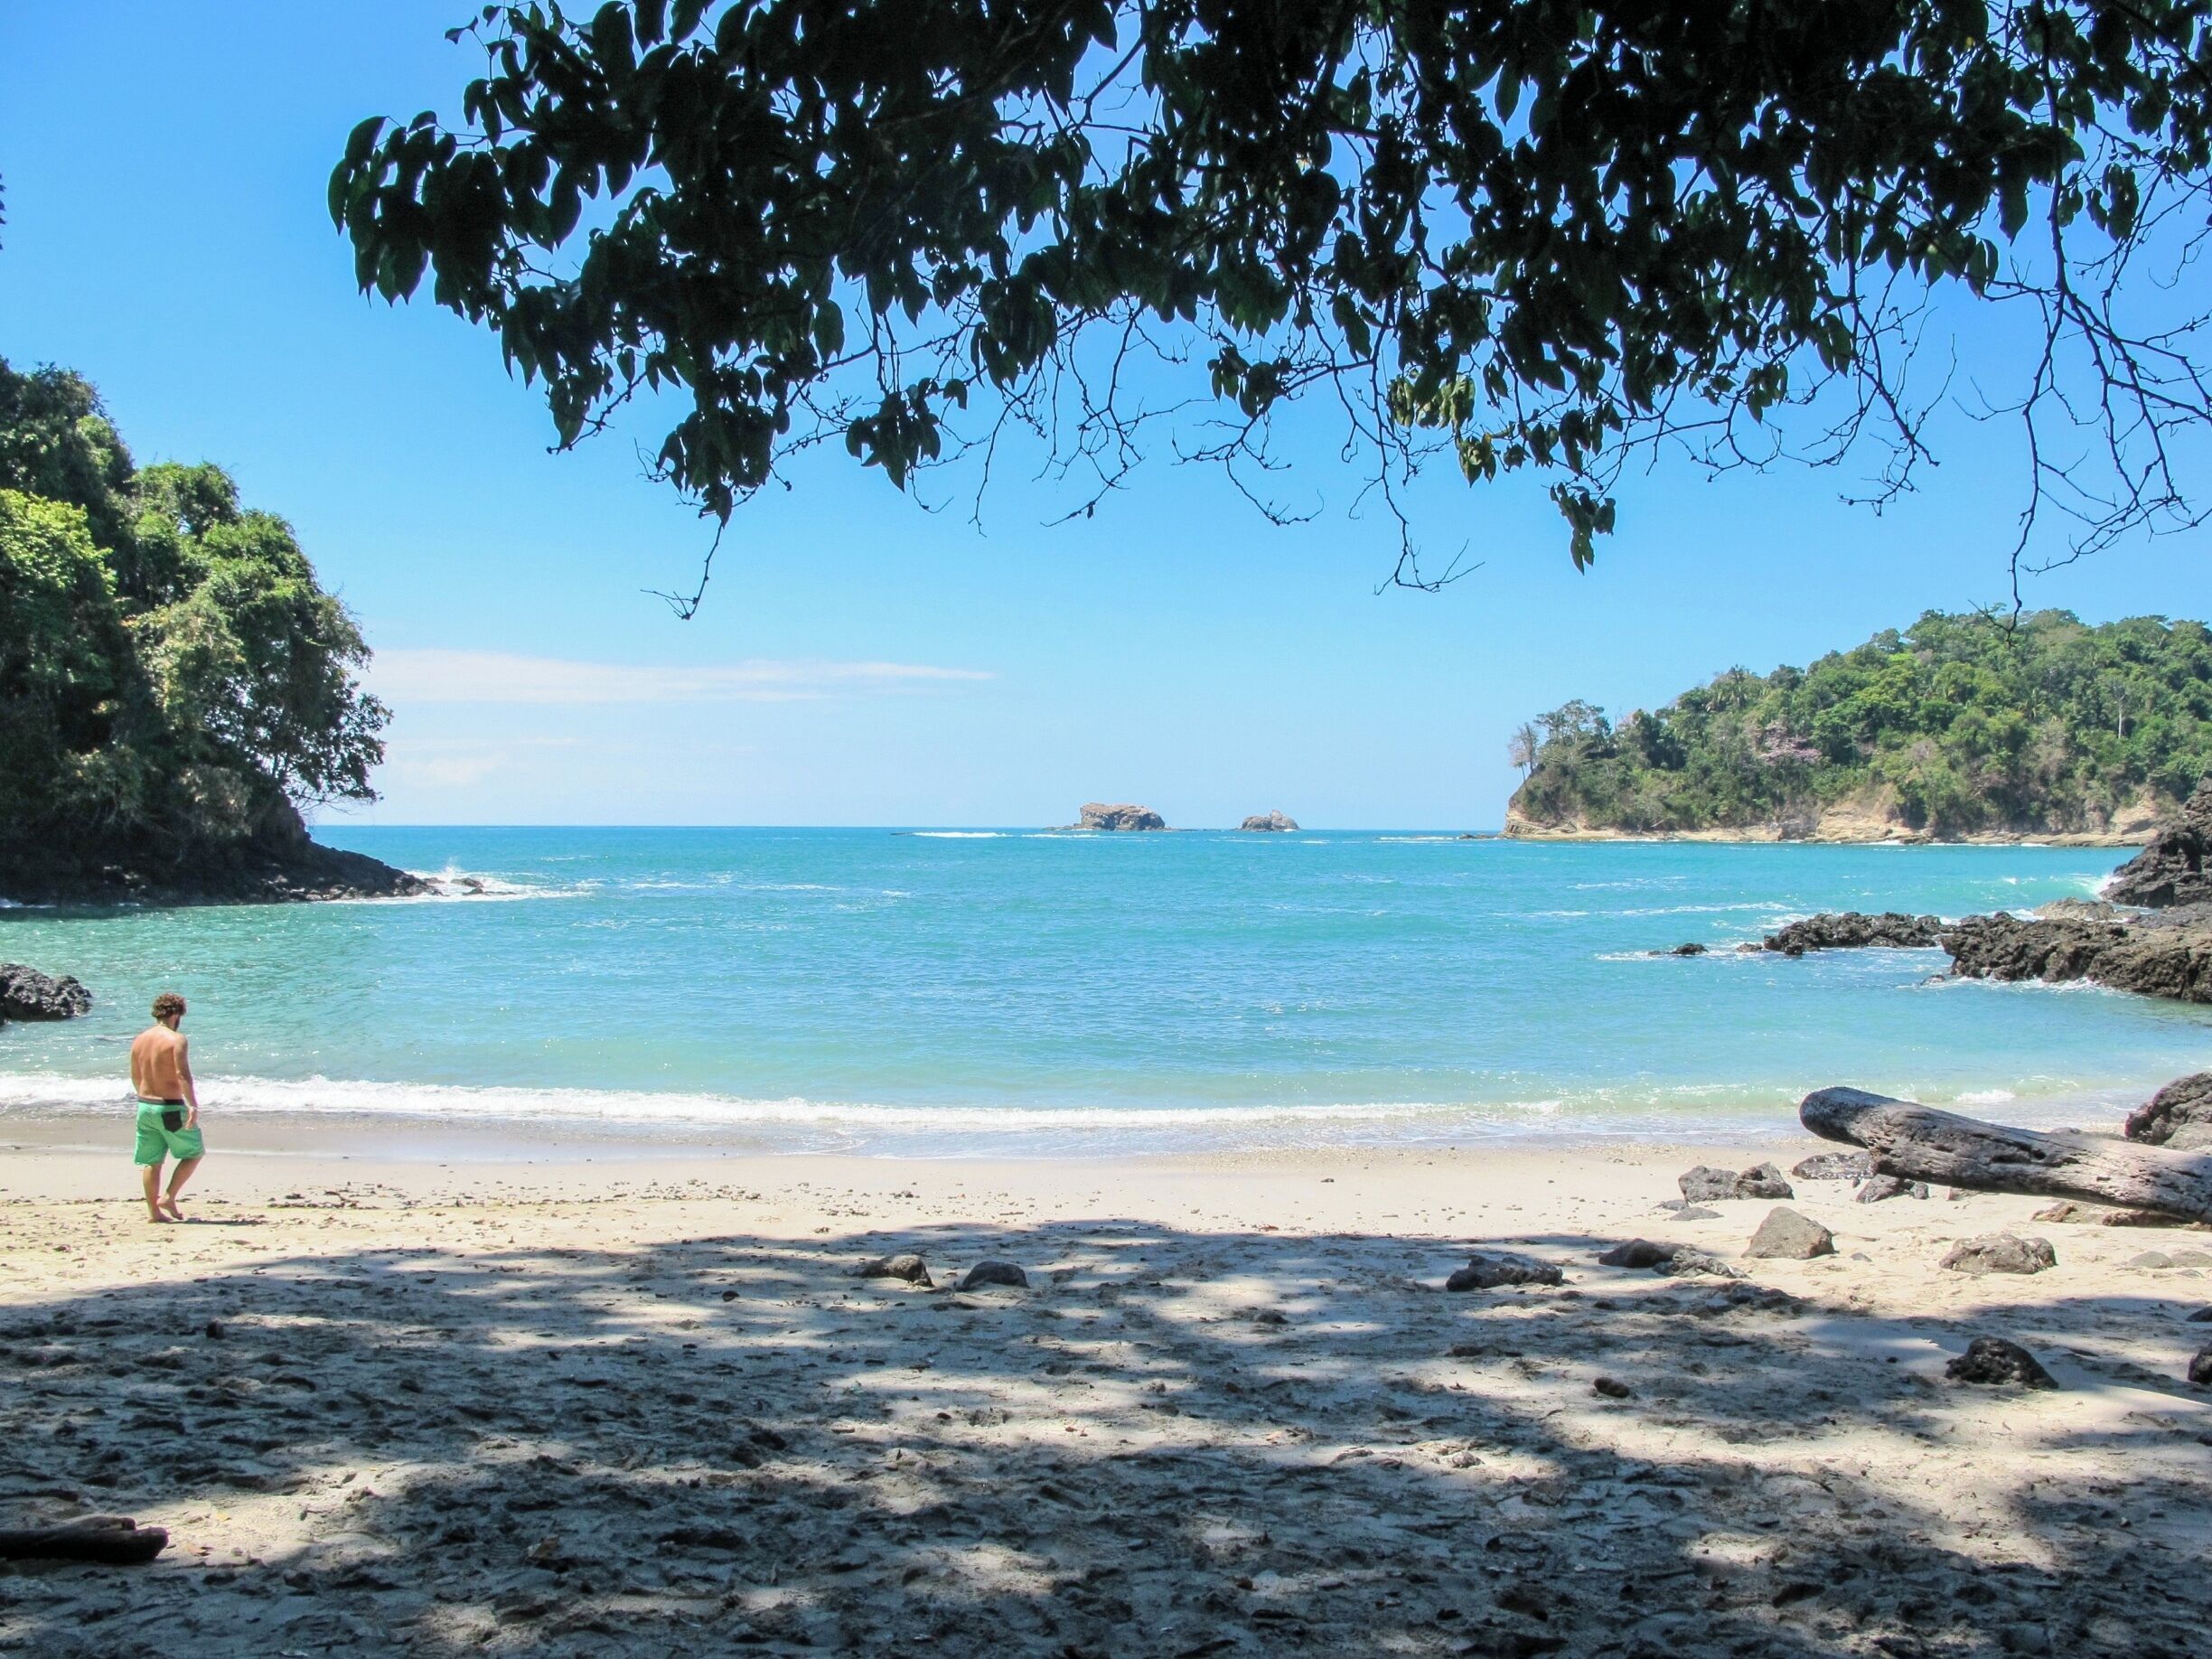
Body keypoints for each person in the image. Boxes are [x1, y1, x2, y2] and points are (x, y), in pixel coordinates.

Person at [129, 992, 204, 1223]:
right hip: (169, 1108)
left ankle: (154, 1213)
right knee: (194, 1153)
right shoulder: (176, 1039)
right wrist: (192, 1105)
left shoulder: (140, 1039)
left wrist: (145, 1096)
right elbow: (182, 1075)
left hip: (145, 1107)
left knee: (152, 1161)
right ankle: (169, 1197)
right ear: (176, 1014)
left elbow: (135, 1076)